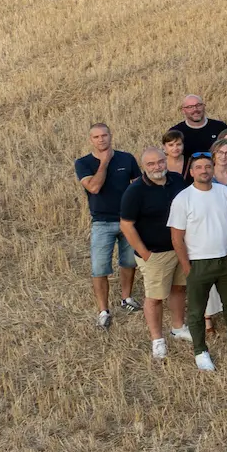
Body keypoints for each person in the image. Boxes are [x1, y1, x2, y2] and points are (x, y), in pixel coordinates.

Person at [168, 152, 227, 369]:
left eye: (207, 166)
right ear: (191, 172)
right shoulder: (183, 199)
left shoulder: (223, 192)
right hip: (199, 263)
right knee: (197, 311)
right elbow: (176, 237)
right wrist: (187, 267)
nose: (204, 171)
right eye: (199, 167)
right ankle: (200, 351)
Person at [120, 147, 188, 360]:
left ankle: (178, 327)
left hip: (180, 248)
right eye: (151, 164)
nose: (157, 167)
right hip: (155, 253)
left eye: (160, 162)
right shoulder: (135, 191)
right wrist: (144, 253)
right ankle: (157, 339)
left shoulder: (177, 180)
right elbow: (126, 225)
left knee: (179, 288)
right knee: (155, 297)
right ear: (143, 167)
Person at [76, 122, 140, 327]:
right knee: (99, 268)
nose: (101, 139)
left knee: (129, 261)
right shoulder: (83, 163)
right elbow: (94, 188)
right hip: (101, 223)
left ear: (111, 136)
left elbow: (138, 186)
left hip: (127, 221)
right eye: (96, 137)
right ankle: (103, 311)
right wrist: (104, 162)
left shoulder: (127, 158)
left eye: (104, 135)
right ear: (90, 140)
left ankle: (126, 298)